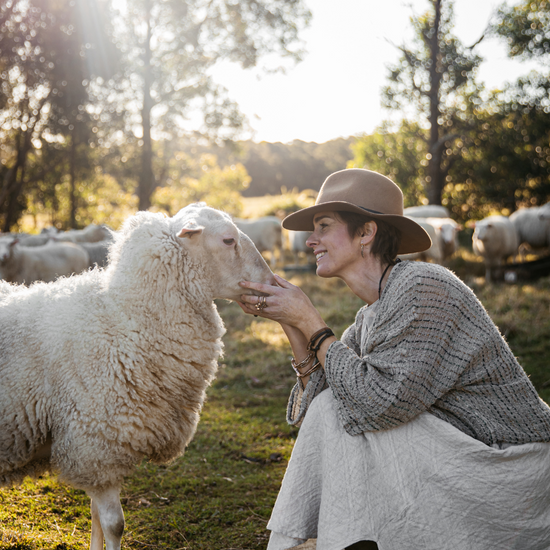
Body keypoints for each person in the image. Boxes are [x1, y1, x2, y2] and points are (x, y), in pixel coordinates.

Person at [238, 168, 550, 550]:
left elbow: (376, 404)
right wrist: (290, 323)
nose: (310, 240)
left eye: (322, 226)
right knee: (331, 409)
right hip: (458, 459)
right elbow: (321, 394)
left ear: (366, 233)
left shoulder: (425, 287)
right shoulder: (371, 312)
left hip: (508, 469)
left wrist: (310, 319)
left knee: (343, 413)